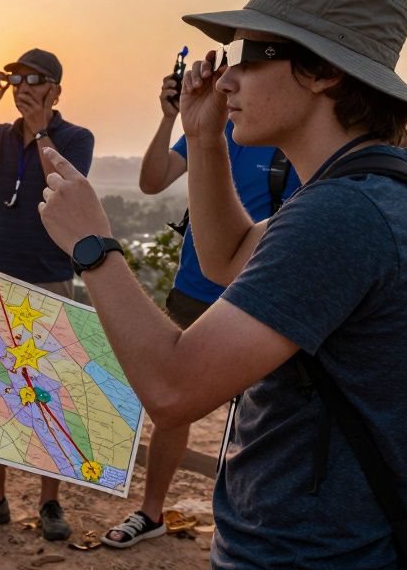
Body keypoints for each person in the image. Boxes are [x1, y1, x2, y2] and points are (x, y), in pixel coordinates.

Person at [37, 0, 407, 567]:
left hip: (307, 555)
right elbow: (227, 258)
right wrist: (204, 138)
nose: (227, 79)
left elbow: (173, 391)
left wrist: (92, 247)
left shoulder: (347, 214)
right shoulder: (393, 184)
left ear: (324, 72)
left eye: (254, 54)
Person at [106, 83, 298, 549]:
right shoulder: (224, 127)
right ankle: (151, 512)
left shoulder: (296, 138)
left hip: (255, 298)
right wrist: (169, 117)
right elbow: (152, 181)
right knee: (171, 409)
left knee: (264, 417)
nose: (233, 83)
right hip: (193, 290)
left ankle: (249, 526)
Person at [0, 47, 94, 542]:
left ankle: (49, 501)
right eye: (16, 79)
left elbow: (64, 189)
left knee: (49, 392)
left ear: (55, 90)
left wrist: (42, 130)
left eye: (34, 79)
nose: (22, 87)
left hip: (49, 277)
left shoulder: (76, 138)